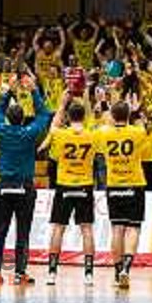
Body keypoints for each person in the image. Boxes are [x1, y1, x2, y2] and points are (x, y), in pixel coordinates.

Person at [0, 74, 51, 284]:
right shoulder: (29, 132)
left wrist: (8, 92)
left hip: (5, 186)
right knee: (23, 231)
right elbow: (44, 115)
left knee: (0, 230)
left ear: (8, 118)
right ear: (23, 118)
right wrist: (33, 90)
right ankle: (19, 272)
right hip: (24, 187)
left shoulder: (1, 130)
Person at [45, 94, 98, 286]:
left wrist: (61, 105)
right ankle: (89, 274)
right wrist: (87, 100)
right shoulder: (92, 135)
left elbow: (53, 126)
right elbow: (92, 123)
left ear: (68, 116)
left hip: (65, 185)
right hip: (84, 186)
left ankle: (52, 272)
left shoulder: (60, 134)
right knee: (87, 229)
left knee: (58, 228)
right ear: (84, 116)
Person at [97, 101, 147, 289]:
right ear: (128, 115)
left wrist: (105, 107)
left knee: (117, 229)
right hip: (135, 184)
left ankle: (118, 273)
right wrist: (135, 111)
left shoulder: (104, 132)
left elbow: (104, 123)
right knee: (133, 228)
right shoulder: (137, 132)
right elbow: (142, 123)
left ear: (112, 115)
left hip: (114, 185)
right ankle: (127, 267)